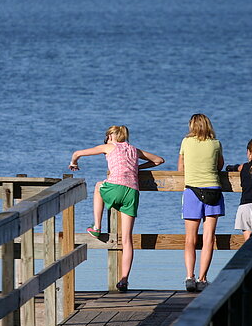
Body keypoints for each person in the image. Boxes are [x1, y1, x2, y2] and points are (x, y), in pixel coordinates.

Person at [69, 125, 164, 292]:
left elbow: (78, 153)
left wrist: (73, 162)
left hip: (116, 188)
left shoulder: (109, 146)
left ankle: (97, 226)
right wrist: (137, 167)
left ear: (111, 136)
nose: (106, 139)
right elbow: (158, 160)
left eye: (107, 136)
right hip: (132, 192)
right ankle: (124, 279)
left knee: (99, 186)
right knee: (127, 239)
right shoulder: (134, 150)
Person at [179, 114, 224, 292]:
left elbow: (180, 168)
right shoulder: (216, 143)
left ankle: (189, 277)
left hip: (192, 191)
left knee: (190, 239)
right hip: (213, 190)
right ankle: (202, 278)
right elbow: (220, 166)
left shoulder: (186, 142)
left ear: (192, 126)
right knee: (209, 238)